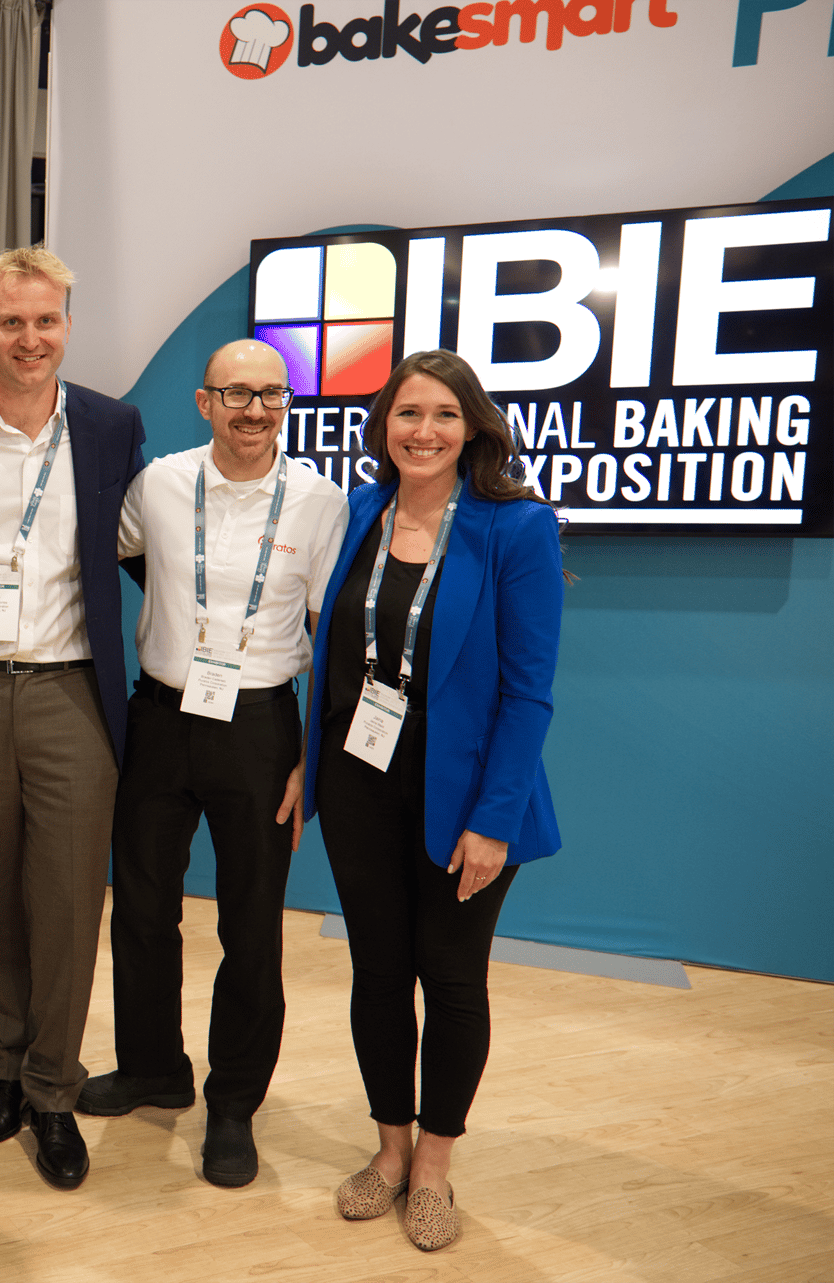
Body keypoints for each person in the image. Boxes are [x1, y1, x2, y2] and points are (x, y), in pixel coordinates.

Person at [302, 349, 563, 1251]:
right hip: (358, 781)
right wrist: (310, 764)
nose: (424, 431)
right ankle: (389, 1148)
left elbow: (529, 691)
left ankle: (435, 1167)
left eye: (444, 415)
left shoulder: (515, 527)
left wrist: (495, 818)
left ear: (474, 427)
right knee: (377, 973)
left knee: (451, 981)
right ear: (383, 425)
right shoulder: (362, 509)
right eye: (407, 413)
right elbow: (331, 656)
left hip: (465, 797)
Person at [83, 339, 349, 1188]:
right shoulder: (159, 482)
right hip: (161, 716)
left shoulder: (320, 501)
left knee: (251, 925)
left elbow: (334, 636)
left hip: (261, 727)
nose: (254, 410)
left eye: (271, 396)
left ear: (287, 406)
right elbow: (128, 559)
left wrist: (311, 758)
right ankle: (155, 1064)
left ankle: (233, 1102)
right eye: (235, 394)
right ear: (205, 403)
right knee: (144, 909)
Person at [0, 246, 144, 1191]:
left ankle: (54, 1087)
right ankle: (9, 1064)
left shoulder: (111, 425)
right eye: (12, 322)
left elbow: (142, 550)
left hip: (71, 690)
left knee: (69, 901)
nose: (30, 338)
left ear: (67, 328)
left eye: (46, 322)